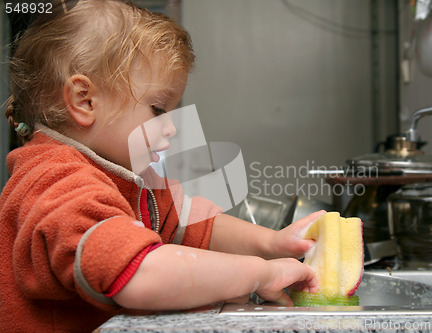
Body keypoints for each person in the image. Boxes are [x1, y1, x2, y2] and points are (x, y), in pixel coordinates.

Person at [0, 0, 322, 331]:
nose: (171, 127)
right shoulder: (56, 181)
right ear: (85, 100)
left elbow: (193, 224)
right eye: (158, 109)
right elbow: (140, 273)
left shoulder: (123, 173)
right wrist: (260, 274)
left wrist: (274, 243)